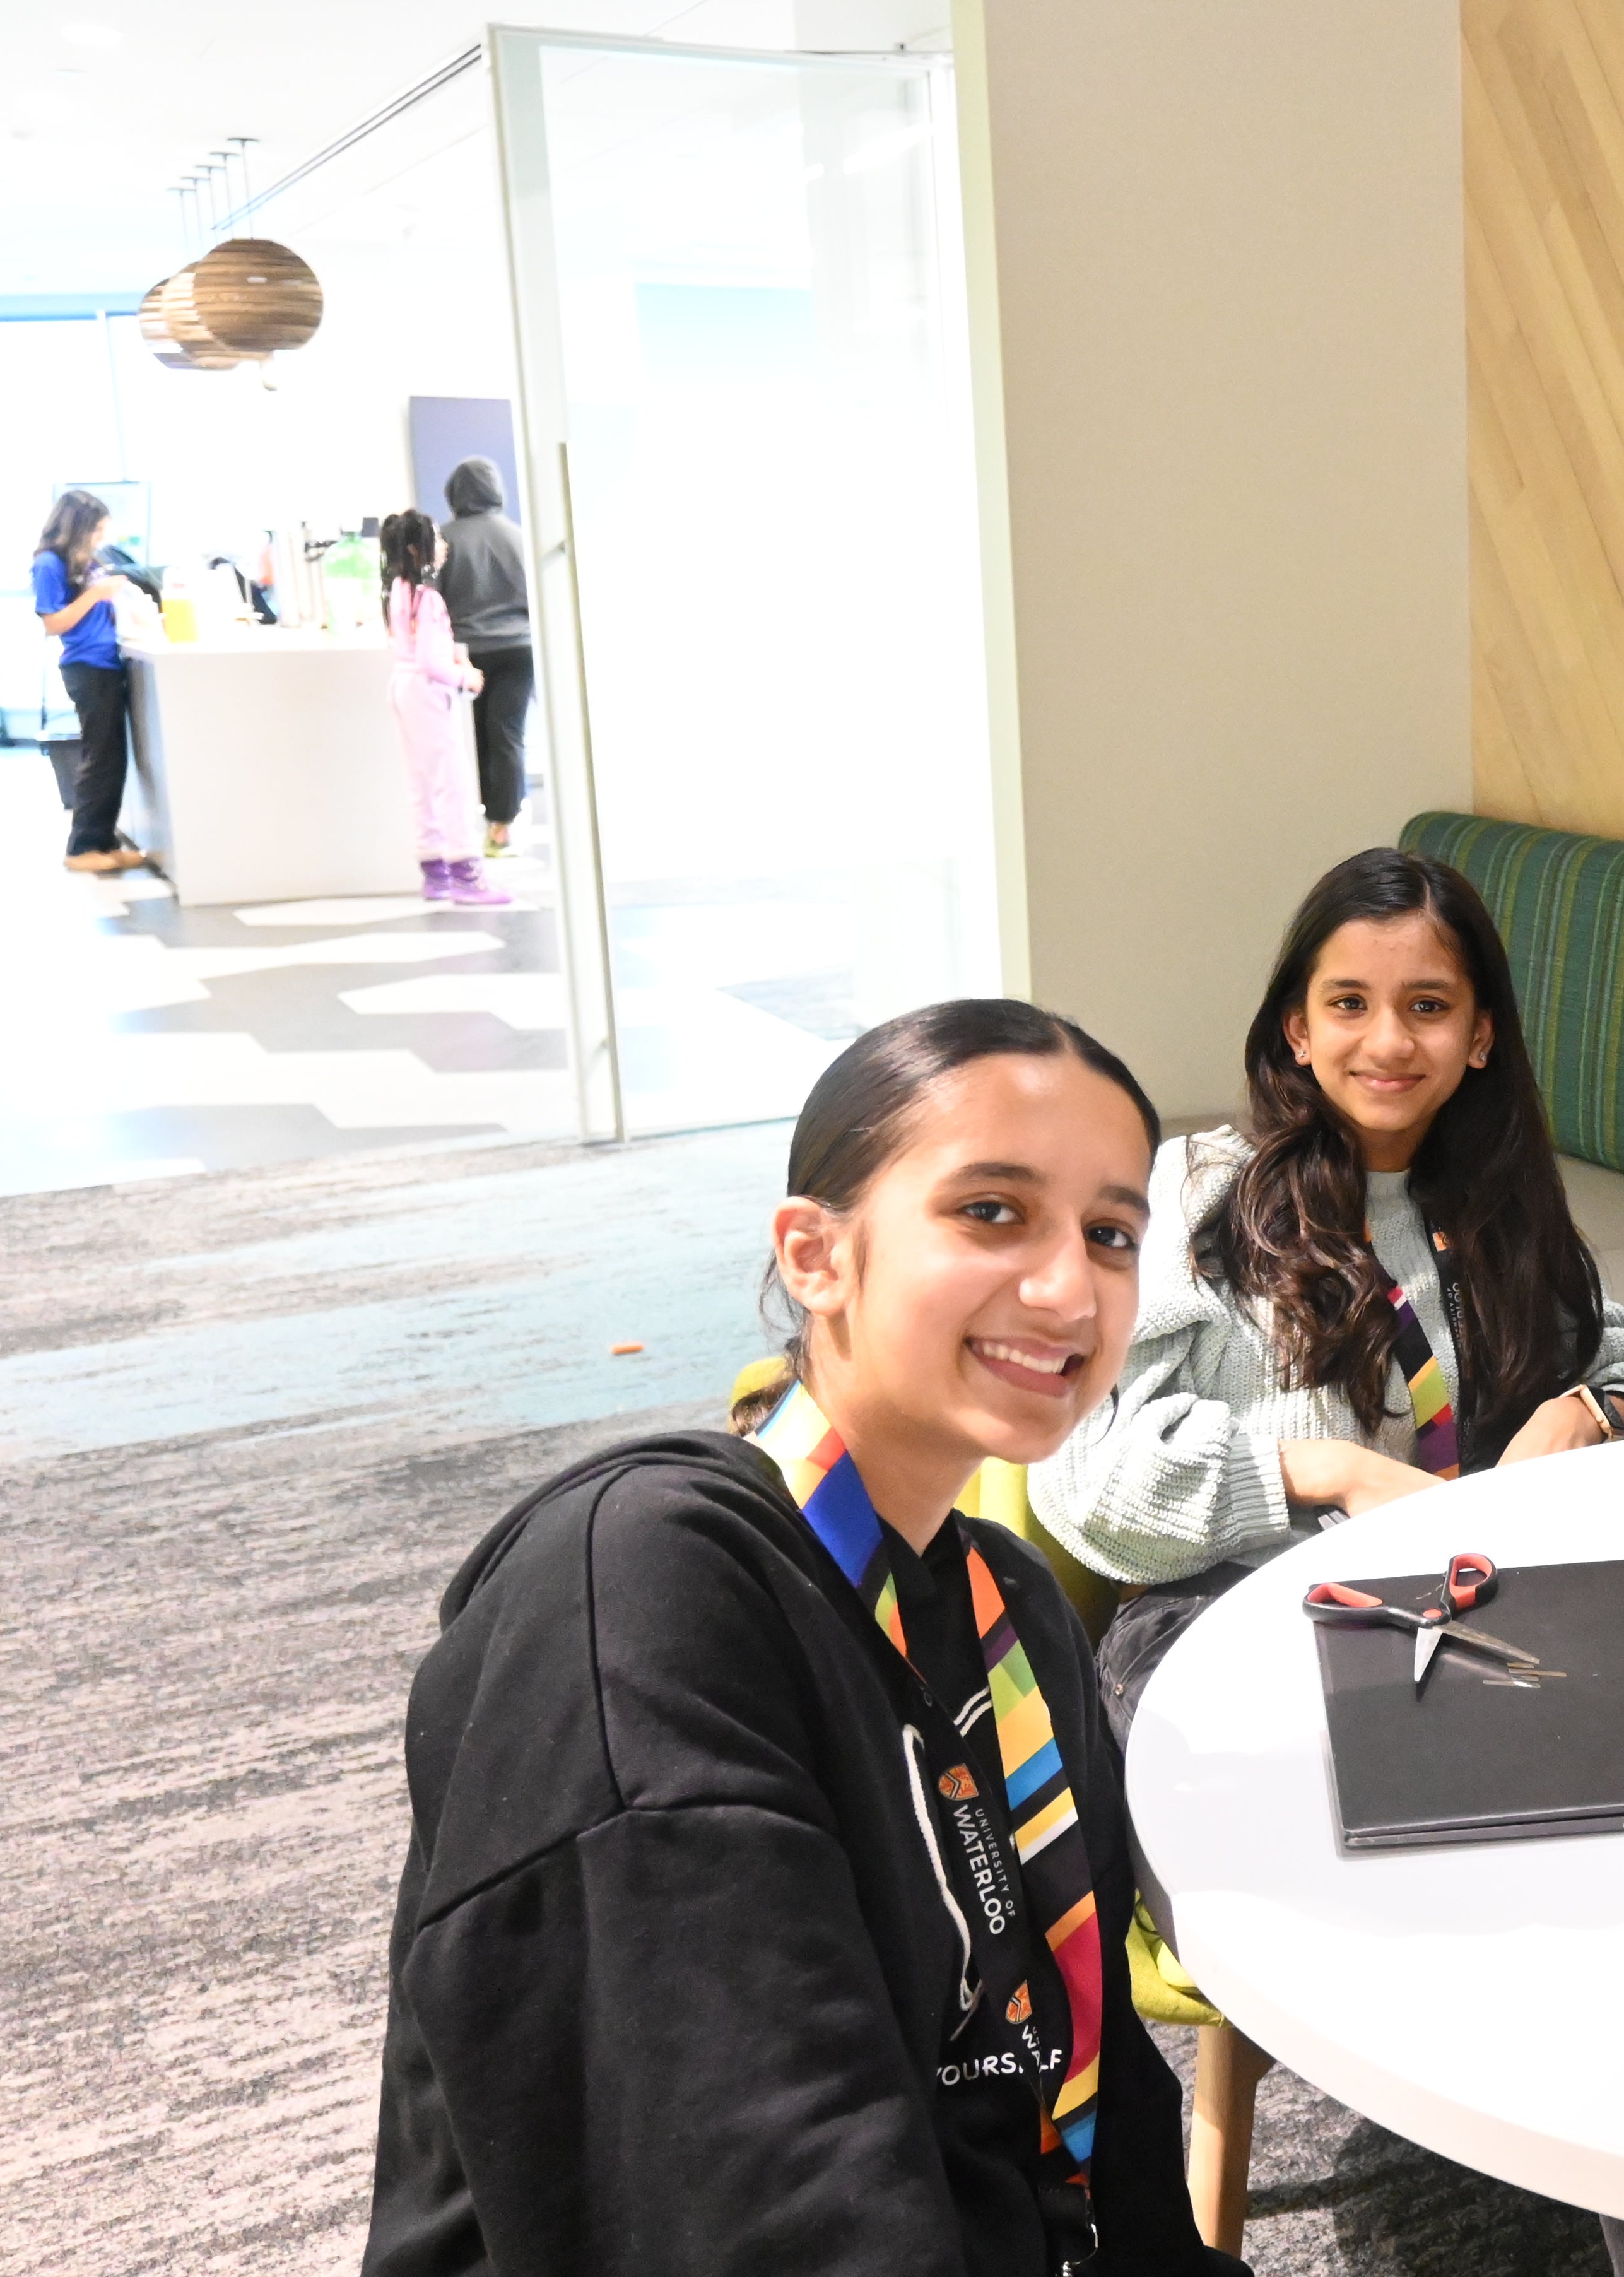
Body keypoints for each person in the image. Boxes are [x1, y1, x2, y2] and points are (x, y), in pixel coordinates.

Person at [364, 999, 1240, 2277]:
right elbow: (759, 2192)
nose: (1067, 1287)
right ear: (816, 1255)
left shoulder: (1010, 1610)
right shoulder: (645, 1592)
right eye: (991, 1210)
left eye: (1109, 1233)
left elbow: (1090, 2076)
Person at [1030, 847, 1624, 1738]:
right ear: (1297, 1030)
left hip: (1459, 1608)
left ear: (1481, 1034)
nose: (1388, 1042)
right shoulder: (1194, 1195)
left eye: (1428, 1007)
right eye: (1349, 1004)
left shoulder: (1499, 1207)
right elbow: (1089, 1472)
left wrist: (1590, 1413)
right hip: (1231, 1617)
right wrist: (1324, 1471)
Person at [378, 511, 509, 908]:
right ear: (420, 548)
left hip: (403, 686)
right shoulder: (428, 598)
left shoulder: (396, 590)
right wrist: (464, 677)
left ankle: (435, 873)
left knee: (422, 781)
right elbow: (434, 663)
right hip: (427, 690)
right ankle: (467, 876)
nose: (444, 545)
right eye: (436, 538)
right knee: (452, 783)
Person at [32, 488, 143, 874]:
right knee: (101, 757)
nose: (99, 538)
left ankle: (104, 841)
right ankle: (82, 847)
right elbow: (52, 623)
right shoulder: (49, 563)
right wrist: (96, 595)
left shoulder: (83, 561)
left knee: (112, 756)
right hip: (87, 667)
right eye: (95, 530)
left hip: (106, 662)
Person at [435, 457, 534, 854]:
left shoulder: (444, 539)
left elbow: (433, 603)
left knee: (469, 737)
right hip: (518, 649)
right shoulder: (518, 537)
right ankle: (502, 826)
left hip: (466, 653)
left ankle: (466, 822)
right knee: (508, 735)